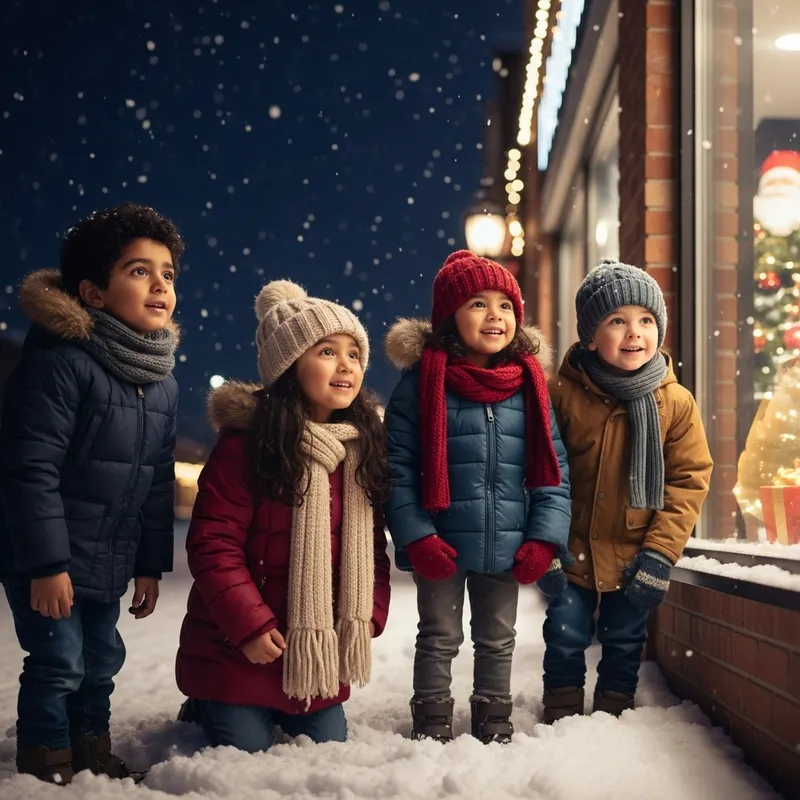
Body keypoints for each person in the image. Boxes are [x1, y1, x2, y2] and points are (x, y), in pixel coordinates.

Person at [0, 203, 184, 783]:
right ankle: (45, 756)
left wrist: (151, 565)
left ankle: (89, 748)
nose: (159, 284)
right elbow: (30, 469)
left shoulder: (160, 382)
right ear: (93, 292)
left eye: (168, 274)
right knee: (58, 659)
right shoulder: (60, 364)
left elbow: (157, 481)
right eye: (139, 271)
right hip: (46, 558)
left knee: (101, 660)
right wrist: (47, 562)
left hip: (106, 557)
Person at [175, 279, 391, 754]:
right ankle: (208, 703)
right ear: (290, 366)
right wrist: (247, 626)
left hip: (316, 655)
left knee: (328, 745)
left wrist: (368, 614)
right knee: (246, 750)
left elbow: (373, 547)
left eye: (355, 354)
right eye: (327, 351)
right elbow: (214, 546)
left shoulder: (358, 450)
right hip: (238, 650)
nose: (346, 365)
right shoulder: (247, 447)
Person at [383, 250, 571, 744]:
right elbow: (396, 472)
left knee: (498, 639)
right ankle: (432, 722)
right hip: (439, 541)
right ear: (449, 317)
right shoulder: (420, 387)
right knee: (440, 636)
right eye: (478, 305)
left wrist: (543, 539)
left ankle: (494, 721)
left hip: (506, 541)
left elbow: (554, 472)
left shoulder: (530, 388)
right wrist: (417, 536)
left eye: (505, 306)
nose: (495, 316)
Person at [540, 259, 713, 722]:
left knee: (624, 637)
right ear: (591, 336)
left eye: (646, 320)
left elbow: (688, 479)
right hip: (572, 545)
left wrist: (659, 553)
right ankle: (560, 710)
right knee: (564, 632)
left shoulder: (674, 401)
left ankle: (615, 709)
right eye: (617, 320)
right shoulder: (561, 394)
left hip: (636, 549)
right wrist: (545, 542)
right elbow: (543, 471)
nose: (634, 332)